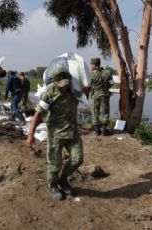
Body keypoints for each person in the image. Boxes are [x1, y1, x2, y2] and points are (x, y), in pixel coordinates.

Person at [26, 69, 83, 200]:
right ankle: (52, 185)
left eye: (66, 83)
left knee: (78, 158)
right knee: (55, 164)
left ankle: (63, 180)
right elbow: (38, 114)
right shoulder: (49, 93)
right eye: (61, 84)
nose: (64, 87)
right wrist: (30, 136)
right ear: (55, 82)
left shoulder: (74, 90)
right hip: (55, 134)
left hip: (72, 132)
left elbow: (86, 89)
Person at [90, 58, 114, 136]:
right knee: (105, 111)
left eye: (91, 64)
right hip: (105, 94)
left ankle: (97, 130)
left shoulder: (91, 74)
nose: (90, 66)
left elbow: (89, 84)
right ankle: (104, 130)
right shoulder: (107, 72)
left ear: (94, 64)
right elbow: (112, 83)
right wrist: (106, 87)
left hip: (96, 94)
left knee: (95, 110)